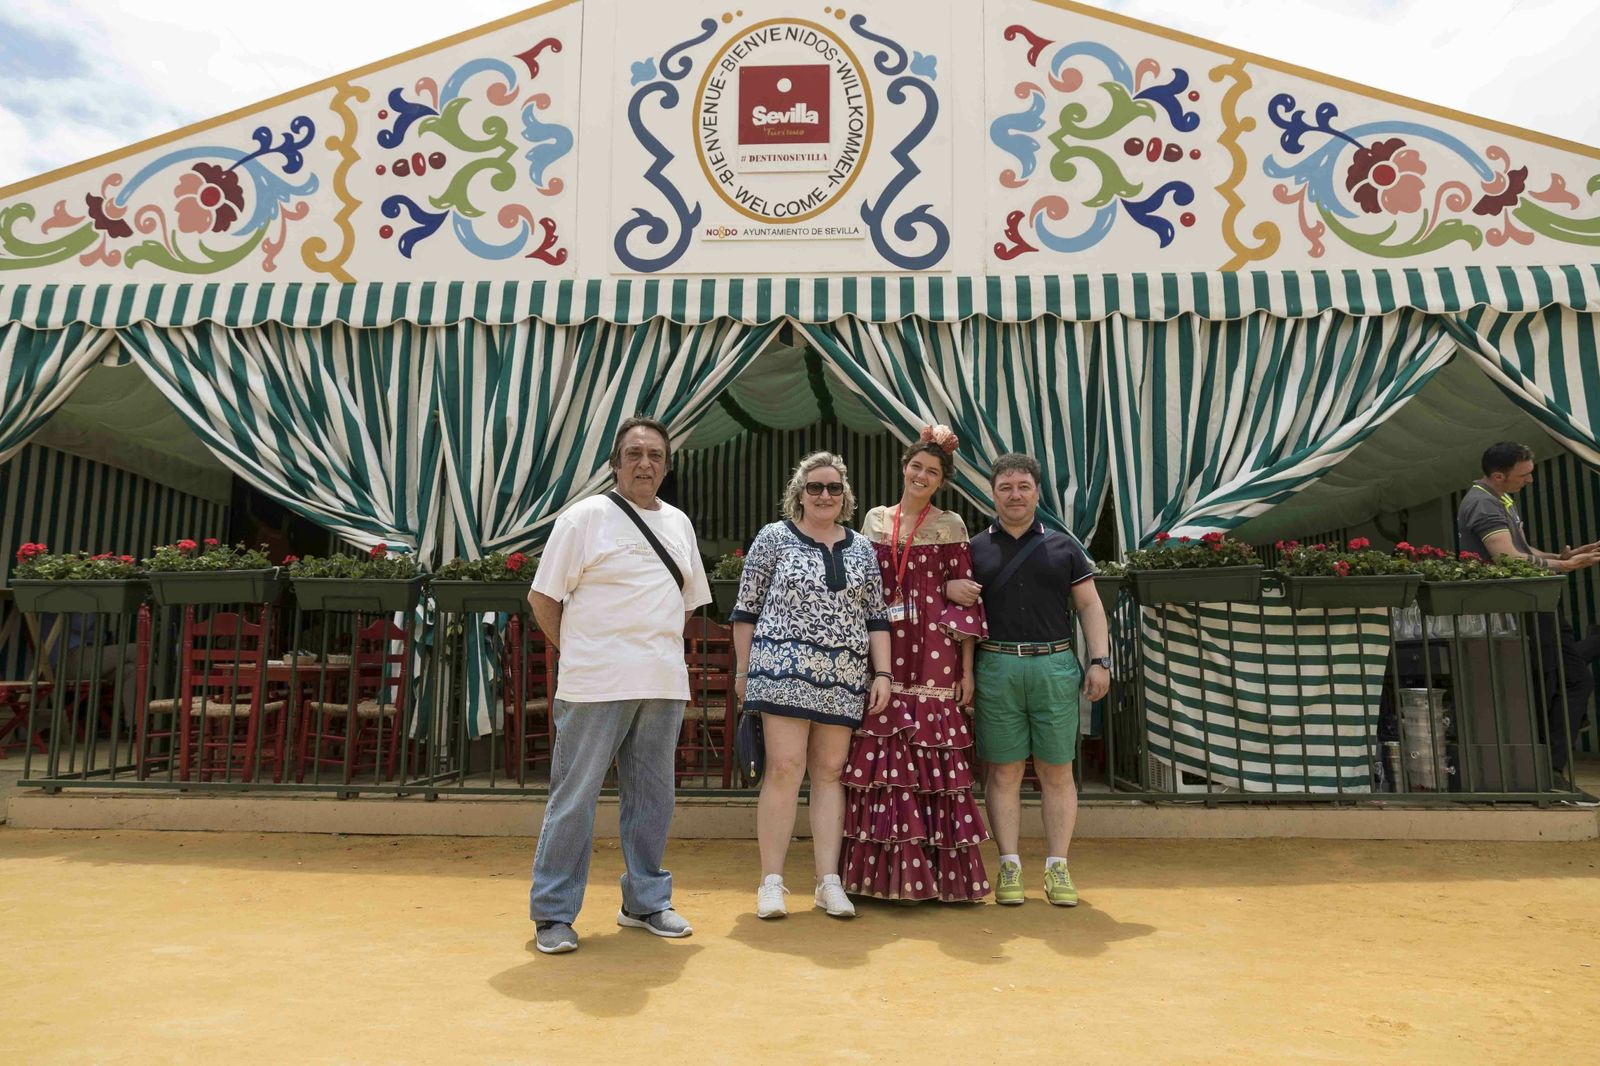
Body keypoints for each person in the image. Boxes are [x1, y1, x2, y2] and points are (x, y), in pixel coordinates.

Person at [526, 415, 711, 955]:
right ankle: (554, 914)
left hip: (661, 683)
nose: (644, 463)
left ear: (667, 466)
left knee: (653, 798)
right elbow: (543, 599)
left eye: (655, 455)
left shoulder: (678, 523)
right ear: (615, 463)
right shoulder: (584, 517)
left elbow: (684, 602)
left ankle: (646, 902)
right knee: (574, 798)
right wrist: (582, 653)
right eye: (633, 454)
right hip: (593, 685)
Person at [731, 451, 892, 920]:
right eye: (815, 487)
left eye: (834, 488)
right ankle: (772, 882)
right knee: (784, 768)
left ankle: (828, 881)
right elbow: (745, 611)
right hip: (781, 671)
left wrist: (882, 673)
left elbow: (875, 616)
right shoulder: (774, 538)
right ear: (798, 493)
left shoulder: (862, 548)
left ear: (846, 497)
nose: (825, 495)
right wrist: (744, 674)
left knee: (829, 773)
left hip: (843, 676)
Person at [841, 426, 991, 902]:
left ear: (942, 480)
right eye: (916, 467)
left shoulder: (951, 526)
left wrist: (967, 671)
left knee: (933, 752)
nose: (921, 475)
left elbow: (966, 601)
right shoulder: (874, 521)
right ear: (903, 468)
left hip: (934, 651)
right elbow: (862, 589)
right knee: (883, 748)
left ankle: (939, 879)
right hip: (882, 648)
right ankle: (878, 878)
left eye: (932, 471)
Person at [954, 453, 1109, 907]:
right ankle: (1009, 866)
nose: (1015, 495)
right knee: (1002, 771)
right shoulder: (974, 549)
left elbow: (1090, 606)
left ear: (1037, 492)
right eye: (1006, 487)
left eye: (1023, 486)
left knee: (1056, 770)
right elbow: (959, 613)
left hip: (1054, 665)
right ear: (993, 494)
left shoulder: (1064, 547)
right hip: (996, 666)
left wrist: (1100, 660)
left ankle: (1058, 867)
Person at [1455, 442, 1600, 774]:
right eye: (1525, 475)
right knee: (1567, 682)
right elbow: (1506, 557)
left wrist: (1559, 557)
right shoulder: (1483, 505)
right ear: (1498, 475)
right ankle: (1549, 768)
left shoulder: (1501, 498)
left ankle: (1549, 766)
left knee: (1561, 680)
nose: (1530, 481)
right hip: (1522, 604)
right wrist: (1565, 567)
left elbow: (1522, 548)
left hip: (1534, 601)